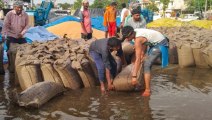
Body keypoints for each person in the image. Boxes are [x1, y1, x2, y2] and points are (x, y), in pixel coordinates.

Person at [122, 26, 169, 97]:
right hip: (153, 42)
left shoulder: (138, 39)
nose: (127, 39)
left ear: (132, 33)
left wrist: (134, 76)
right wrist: (142, 54)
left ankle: (147, 90)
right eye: (126, 37)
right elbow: (145, 42)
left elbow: (137, 59)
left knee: (146, 64)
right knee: (142, 59)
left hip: (161, 43)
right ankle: (145, 83)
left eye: (128, 37)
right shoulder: (135, 32)